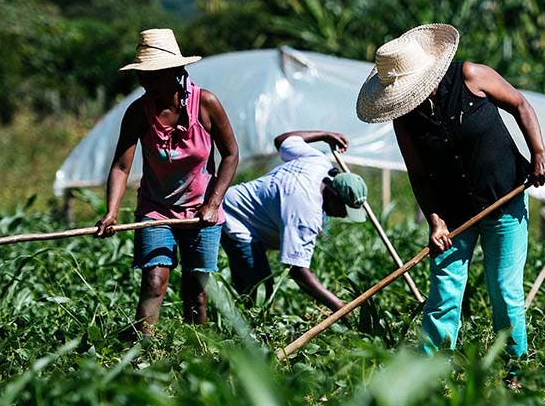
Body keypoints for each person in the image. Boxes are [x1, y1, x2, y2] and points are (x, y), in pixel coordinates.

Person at [356, 23, 545, 377]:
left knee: (504, 289)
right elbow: (418, 173)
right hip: (452, 214)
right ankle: (430, 372)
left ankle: (515, 369)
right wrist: (435, 221)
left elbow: (520, 105)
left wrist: (538, 153)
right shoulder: (405, 118)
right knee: (444, 292)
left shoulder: (471, 76)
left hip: (503, 198)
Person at [95, 28, 239, 338]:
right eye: (142, 75)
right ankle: (141, 352)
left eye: (152, 74)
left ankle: (193, 355)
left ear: (174, 72)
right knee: (154, 282)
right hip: (156, 209)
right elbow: (121, 166)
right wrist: (111, 211)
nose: (144, 82)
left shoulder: (206, 104)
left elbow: (230, 154)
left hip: (201, 212)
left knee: (196, 293)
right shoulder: (138, 112)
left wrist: (213, 205)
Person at [220, 130, 368, 311]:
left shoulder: (318, 162)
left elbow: (282, 140)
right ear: (333, 195)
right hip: (237, 219)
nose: (343, 216)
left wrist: (323, 136)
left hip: (242, 203)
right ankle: (243, 333)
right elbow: (296, 269)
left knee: (253, 287)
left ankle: (242, 325)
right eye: (344, 210)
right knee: (258, 292)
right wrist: (339, 306)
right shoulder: (305, 211)